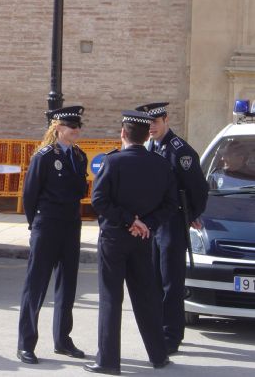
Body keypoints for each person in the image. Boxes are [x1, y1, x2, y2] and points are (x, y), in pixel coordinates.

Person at [84, 110, 177, 375]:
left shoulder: (113, 162)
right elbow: (170, 204)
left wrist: (128, 221)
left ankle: (108, 361)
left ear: (123, 133)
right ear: (148, 134)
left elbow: (99, 201)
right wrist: (145, 223)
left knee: (111, 299)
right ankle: (158, 355)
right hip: (143, 238)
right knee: (146, 297)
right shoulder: (160, 164)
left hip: (115, 237)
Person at [17, 106, 88, 365]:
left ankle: (62, 339)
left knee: (67, 285)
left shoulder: (79, 156)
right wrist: (34, 225)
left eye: (78, 126)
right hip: (47, 224)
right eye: (72, 126)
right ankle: (26, 343)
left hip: (70, 224)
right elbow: (30, 194)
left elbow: (80, 189)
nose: (76, 131)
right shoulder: (44, 157)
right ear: (58, 128)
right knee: (36, 286)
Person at [135, 102, 208, 355]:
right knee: (153, 279)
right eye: (147, 124)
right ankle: (159, 328)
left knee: (170, 281)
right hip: (153, 222)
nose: (151, 128)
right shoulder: (149, 147)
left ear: (166, 119)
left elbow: (198, 187)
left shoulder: (180, 151)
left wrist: (193, 214)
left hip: (172, 223)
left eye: (155, 122)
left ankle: (172, 334)